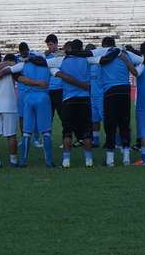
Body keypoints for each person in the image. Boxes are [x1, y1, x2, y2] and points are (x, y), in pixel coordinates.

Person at [0, 51, 54, 167]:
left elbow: (10, 72)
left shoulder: (24, 65)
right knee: (46, 131)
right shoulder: (48, 66)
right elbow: (59, 74)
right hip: (43, 98)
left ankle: (23, 161)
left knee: (26, 132)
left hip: (28, 98)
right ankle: (49, 161)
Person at [96, 37, 142, 166]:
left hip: (110, 91)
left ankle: (110, 159)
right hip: (125, 90)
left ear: (104, 45)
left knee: (110, 124)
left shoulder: (101, 52)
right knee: (124, 123)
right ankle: (126, 157)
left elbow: (88, 56)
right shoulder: (126, 53)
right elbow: (142, 60)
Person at [53, 40, 94, 168]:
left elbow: (46, 63)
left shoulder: (62, 61)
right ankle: (88, 160)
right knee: (87, 130)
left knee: (67, 131)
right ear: (81, 48)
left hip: (68, 99)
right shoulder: (87, 60)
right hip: (84, 99)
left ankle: (66, 160)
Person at [44, 34, 62, 148]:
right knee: (48, 117)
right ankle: (48, 140)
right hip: (49, 90)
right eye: (48, 45)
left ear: (56, 44)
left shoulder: (62, 55)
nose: (49, 47)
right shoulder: (45, 56)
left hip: (60, 89)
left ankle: (67, 138)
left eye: (50, 44)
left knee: (63, 116)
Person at [85, 44, 104, 148]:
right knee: (94, 120)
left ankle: (112, 140)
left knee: (107, 120)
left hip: (101, 96)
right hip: (90, 96)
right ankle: (95, 141)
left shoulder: (99, 63)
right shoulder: (86, 64)